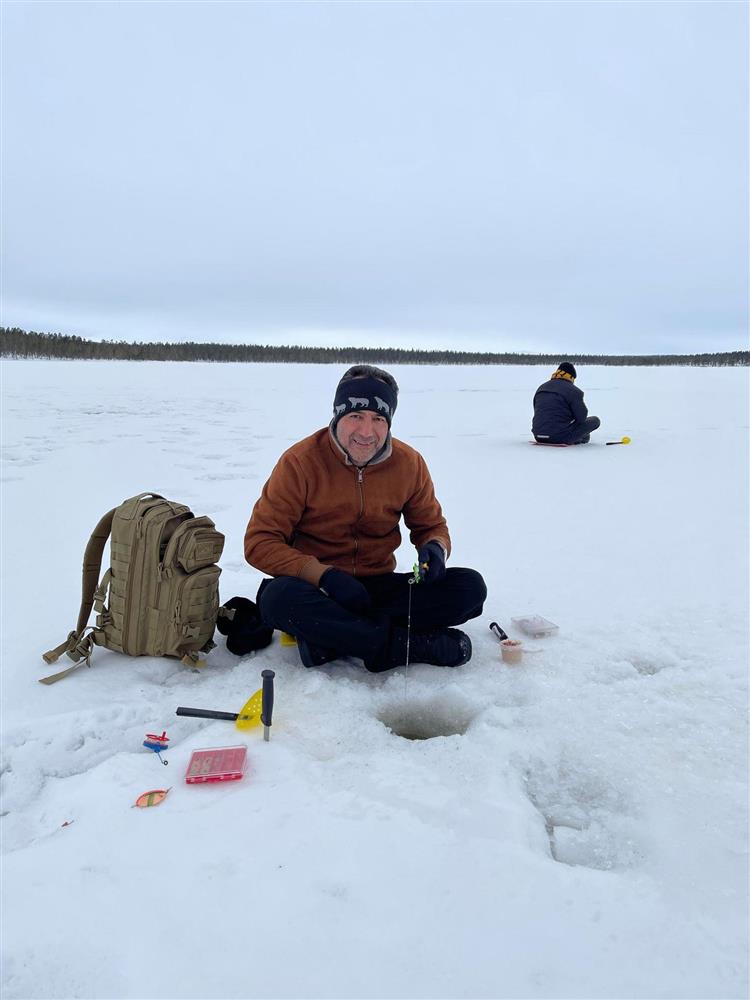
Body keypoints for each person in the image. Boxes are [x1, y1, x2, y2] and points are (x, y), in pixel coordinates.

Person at [244, 364, 487, 672]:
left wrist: (435, 548)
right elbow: (260, 542)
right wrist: (324, 575)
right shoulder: (300, 462)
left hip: (380, 587)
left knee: (469, 588)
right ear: (337, 415)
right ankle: (402, 646)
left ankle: (336, 637)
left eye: (378, 419)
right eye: (355, 416)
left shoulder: (409, 464)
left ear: (389, 423)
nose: (366, 431)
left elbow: (431, 525)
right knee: (278, 598)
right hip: (320, 590)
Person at [532, 362, 601, 444]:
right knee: (595, 420)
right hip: (559, 437)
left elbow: (538, 411)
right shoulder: (574, 391)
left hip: (538, 435)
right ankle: (580, 438)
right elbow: (581, 418)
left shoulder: (541, 388)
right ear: (571, 377)